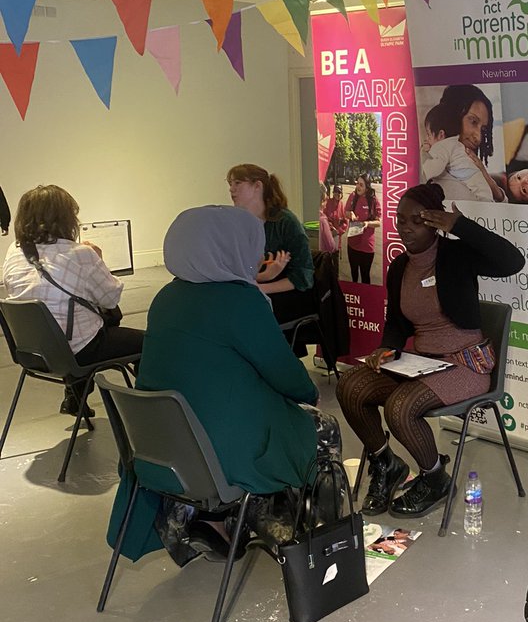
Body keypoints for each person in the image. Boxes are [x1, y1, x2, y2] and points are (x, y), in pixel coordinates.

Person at [106, 206, 319, 563]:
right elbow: (289, 377)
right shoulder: (241, 301)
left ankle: (215, 521)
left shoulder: (165, 298)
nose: (257, 254)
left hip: (162, 451)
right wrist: (309, 395)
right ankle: (301, 536)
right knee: (317, 425)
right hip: (219, 459)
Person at [336, 183, 524, 517]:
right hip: (420, 363)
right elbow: (397, 322)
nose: (405, 226)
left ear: (434, 223)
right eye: (400, 219)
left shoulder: (456, 255)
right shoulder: (399, 267)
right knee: (350, 387)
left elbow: (512, 261)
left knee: (399, 408)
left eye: (416, 220)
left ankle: (435, 477)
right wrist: (386, 348)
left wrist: (460, 226)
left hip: (466, 363)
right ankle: (385, 464)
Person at [2, 184, 144, 416]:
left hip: (32, 352)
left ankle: (75, 395)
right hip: (75, 351)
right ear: (65, 218)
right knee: (148, 343)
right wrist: (97, 259)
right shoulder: (80, 254)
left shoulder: (14, 251)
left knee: (84, 326)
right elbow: (110, 298)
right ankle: (148, 412)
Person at [226, 163, 315, 329]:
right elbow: (236, 269)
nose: (231, 189)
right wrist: (263, 276)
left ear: (257, 186)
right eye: (230, 184)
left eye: (237, 183)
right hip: (253, 290)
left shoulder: (285, 223)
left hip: (287, 296)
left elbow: (304, 276)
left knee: (239, 312)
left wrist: (262, 287)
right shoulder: (238, 222)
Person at [430, 84, 506, 204]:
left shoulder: (469, 167)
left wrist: (488, 179)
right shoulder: (433, 165)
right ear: (454, 115)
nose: (478, 137)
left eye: (483, 129)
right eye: (473, 122)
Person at [420, 102, 496, 203]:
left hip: (478, 195)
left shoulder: (443, 145)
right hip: (482, 191)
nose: (427, 140)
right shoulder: (456, 144)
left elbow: (433, 169)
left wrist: (422, 156)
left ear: (441, 134)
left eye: (429, 135)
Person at [345, 174, 381, 284]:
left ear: (367, 187)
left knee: (365, 276)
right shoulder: (353, 196)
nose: (358, 187)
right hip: (352, 243)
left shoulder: (373, 200)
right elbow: (346, 212)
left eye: (361, 185)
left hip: (367, 246)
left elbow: (378, 222)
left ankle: (366, 299)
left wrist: (367, 223)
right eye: (357, 183)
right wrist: (350, 214)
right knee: (354, 275)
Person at [322, 182, 347, 254]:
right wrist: (331, 228)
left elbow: (345, 222)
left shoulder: (342, 205)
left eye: (339, 192)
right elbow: (324, 217)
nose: (337, 194)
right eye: (336, 191)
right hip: (327, 235)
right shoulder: (328, 203)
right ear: (333, 192)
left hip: (337, 238)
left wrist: (339, 231)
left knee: (335, 258)